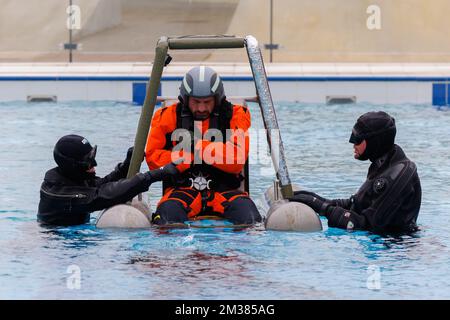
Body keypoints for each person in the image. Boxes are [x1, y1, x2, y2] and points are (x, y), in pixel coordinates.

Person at [145, 66, 262, 226]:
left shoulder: (235, 116)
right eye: (196, 102)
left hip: (225, 191)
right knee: (166, 219)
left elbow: (236, 160)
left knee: (250, 219)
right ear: (186, 99)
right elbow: (153, 160)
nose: (201, 108)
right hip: (181, 191)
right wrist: (192, 155)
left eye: (207, 102)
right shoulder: (166, 117)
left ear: (217, 99)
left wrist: (195, 146)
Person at [289, 111, 421, 234]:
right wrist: (316, 200)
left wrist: (325, 209)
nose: (352, 144)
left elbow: (368, 225)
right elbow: (357, 205)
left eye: (357, 139)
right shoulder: (384, 164)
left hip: (394, 250)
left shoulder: (397, 175)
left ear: (375, 142)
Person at [38, 134, 178, 226]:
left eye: (93, 157)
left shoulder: (75, 177)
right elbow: (101, 196)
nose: (94, 165)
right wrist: (153, 175)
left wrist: (126, 166)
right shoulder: (57, 193)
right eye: (88, 162)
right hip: (56, 238)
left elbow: (102, 184)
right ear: (72, 166)